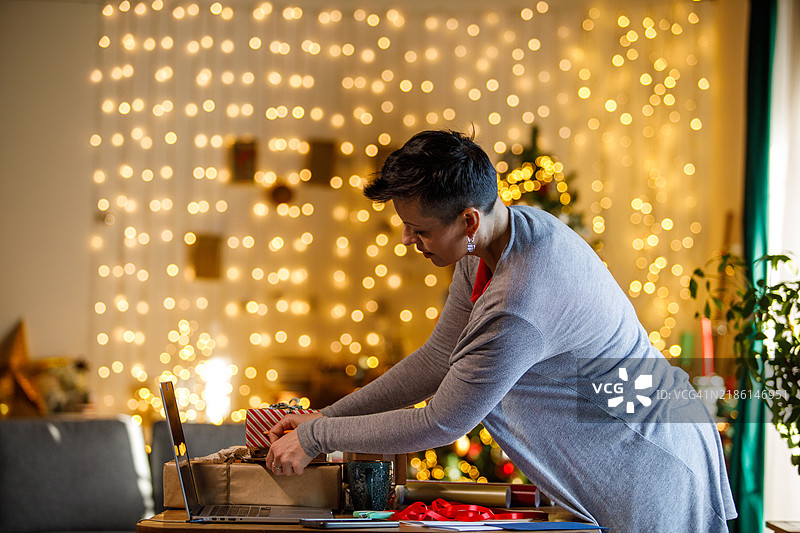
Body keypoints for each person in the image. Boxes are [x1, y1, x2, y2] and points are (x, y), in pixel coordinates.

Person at [265, 130, 737, 532]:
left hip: (648, 458)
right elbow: (437, 359)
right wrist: (324, 417)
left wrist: (317, 437)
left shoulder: (519, 302)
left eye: (419, 230)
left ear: (468, 220)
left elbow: (441, 422)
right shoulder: (493, 241)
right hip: (638, 438)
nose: (408, 240)